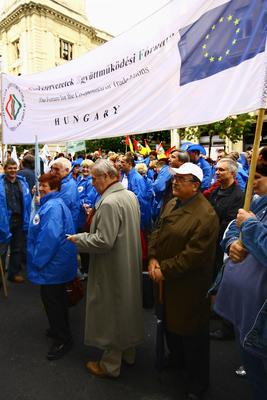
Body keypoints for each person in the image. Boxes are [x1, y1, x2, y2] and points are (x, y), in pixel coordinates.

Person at [67, 159, 144, 378]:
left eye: (94, 177)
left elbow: (103, 241)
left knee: (113, 311)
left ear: (108, 177)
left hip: (113, 266)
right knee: (127, 307)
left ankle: (110, 365)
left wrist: (78, 239)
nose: (92, 182)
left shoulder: (110, 202)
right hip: (127, 261)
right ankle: (128, 353)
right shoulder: (129, 195)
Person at [148, 162, 219, 400]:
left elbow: (193, 256)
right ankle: (176, 361)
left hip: (188, 286)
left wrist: (163, 269)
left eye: (181, 179)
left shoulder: (206, 215)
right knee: (170, 324)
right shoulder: (172, 202)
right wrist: (153, 257)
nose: (175, 182)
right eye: (175, 178)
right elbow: (157, 230)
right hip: (167, 279)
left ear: (196, 186)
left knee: (192, 335)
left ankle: (197, 383)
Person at [214, 162, 267, 400]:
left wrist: (251, 226)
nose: (252, 183)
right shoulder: (257, 202)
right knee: (255, 375)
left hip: (261, 316)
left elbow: (249, 227)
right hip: (245, 308)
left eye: (258, 177)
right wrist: (232, 243)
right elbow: (232, 228)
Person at [27, 173, 77, 361]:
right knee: (56, 298)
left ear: (54, 188)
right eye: (40, 185)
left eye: (44, 186)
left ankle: (63, 338)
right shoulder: (52, 204)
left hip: (52, 264)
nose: (41, 188)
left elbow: (49, 238)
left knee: (52, 300)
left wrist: (37, 261)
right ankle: (58, 329)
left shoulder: (52, 206)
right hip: (56, 263)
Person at [208, 158, 244, 341]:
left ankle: (227, 326)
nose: (217, 172)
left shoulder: (238, 196)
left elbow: (230, 224)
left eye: (221, 170)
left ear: (232, 173)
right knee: (214, 278)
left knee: (224, 282)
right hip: (211, 244)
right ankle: (217, 310)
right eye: (216, 169)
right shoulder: (214, 191)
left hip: (224, 246)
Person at [0, 158, 31, 282]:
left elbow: (27, 201)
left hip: (19, 220)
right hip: (4, 221)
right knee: (2, 250)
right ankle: (1, 278)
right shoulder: (1, 184)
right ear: (5, 169)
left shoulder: (22, 183)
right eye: (10, 168)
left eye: (14, 168)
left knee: (17, 248)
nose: (12, 170)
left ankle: (13, 273)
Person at [50, 157, 80, 231]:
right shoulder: (62, 181)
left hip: (63, 227)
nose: (53, 172)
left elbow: (56, 207)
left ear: (67, 170)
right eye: (52, 168)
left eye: (57, 169)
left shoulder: (68, 185)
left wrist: (41, 199)